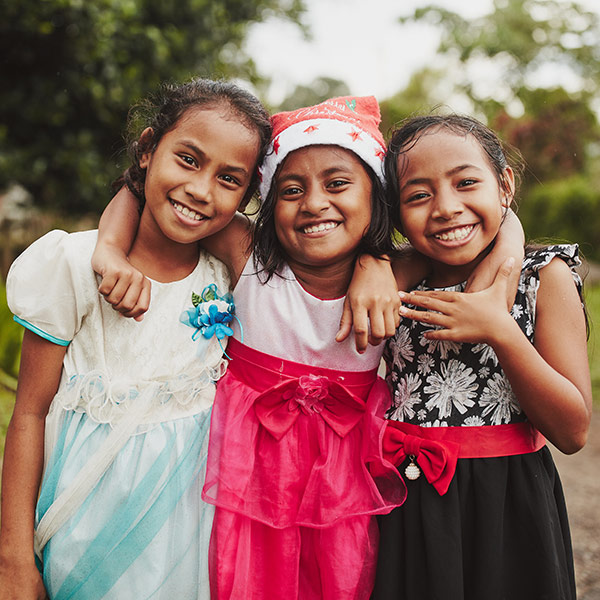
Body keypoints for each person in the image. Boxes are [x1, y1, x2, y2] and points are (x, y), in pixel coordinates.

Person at [0, 77, 272, 600]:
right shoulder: (78, 264)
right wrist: (13, 556)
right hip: (80, 516)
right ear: (148, 150)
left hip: (190, 527)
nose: (200, 189)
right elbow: (29, 412)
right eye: (188, 159)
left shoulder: (231, 273)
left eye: (229, 179)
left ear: (245, 197)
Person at [372, 114, 592, 600]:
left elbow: (573, 431)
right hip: (407, 502)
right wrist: (375, 266)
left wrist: (502, 332)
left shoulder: (543, 279)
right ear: (395, 210)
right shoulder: (396, 283)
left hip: (508, 506)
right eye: (418, 195)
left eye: (466, 182)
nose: (447, 208)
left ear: (505, 185)